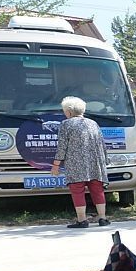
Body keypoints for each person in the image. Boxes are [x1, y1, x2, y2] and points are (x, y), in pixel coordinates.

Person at [51, 95, 111, 228]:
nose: (64, 113)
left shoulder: (66, 124)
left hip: (75, 164)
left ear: (69, 111)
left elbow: (62, 146)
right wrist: (105, 161)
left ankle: (82, 220)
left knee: (77, 191)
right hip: (95, 163)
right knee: (97, 189)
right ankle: (103, 218)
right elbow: (102, 143)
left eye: (65, 110)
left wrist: (56, 165)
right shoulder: (93, 123)